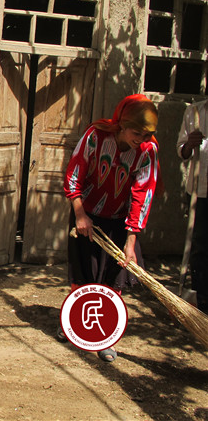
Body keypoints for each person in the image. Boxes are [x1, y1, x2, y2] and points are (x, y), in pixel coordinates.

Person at [63, 94, 159, 362]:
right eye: (136, 133)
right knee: (83, 272)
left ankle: (106, 337)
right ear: (122, 125)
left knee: (114, 276)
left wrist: (131, 241)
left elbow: (143, 194)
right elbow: (74, 174)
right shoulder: (95, 136)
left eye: (146, 134)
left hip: (119, 219)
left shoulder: (148, 151)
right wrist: (80, 215)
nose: (141, 139)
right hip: (86, 214)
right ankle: (74, 326)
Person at [176, 99, 208, 314]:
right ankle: (201, 302)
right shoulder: (194, 111)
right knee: (200, 246)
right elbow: (182, 151)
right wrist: (189, 145)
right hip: (200, 191)